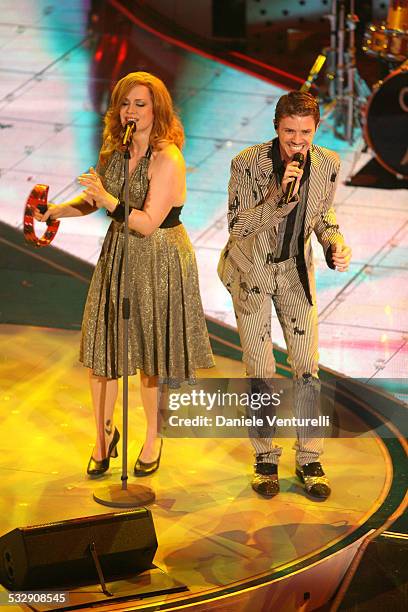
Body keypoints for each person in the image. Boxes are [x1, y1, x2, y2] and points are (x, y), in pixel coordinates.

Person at [35, 71, 214, 477]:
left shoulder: (168, 158)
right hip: (119, 253)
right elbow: (96, 198)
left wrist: (106, 200)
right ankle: (103, 437)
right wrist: (58, 211)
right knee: (105, 351)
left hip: (159, 257)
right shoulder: (116, 147)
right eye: (125, 103)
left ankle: (154, 437)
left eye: (141, 104)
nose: (131, 111)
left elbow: (148, 221)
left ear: (158, 109)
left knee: (150, 357)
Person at [218, 91, 351, 499]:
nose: (297, 140)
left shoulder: (328, 163)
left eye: (305, 132)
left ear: (315, 130)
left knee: (307, 366)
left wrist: (334, 242)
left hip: (294, 271)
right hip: (253, 271)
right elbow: (238, 226)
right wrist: (279, 196)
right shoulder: (247, 165)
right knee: (260, 370)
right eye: (290, 131)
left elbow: (323, 213)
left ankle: (310, 456)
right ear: (276, 127)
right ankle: (265, 458)